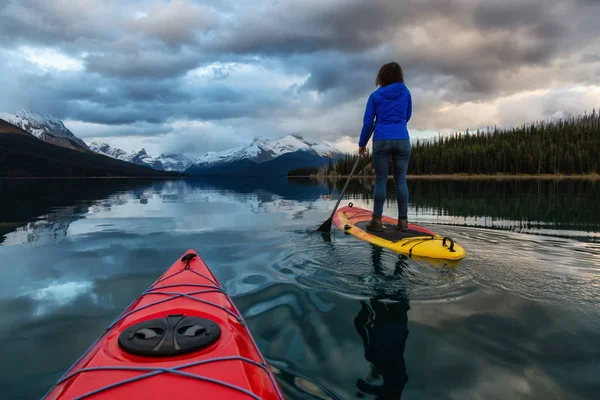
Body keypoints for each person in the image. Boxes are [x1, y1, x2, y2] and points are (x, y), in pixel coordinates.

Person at [358, 62, 412, 232]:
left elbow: (368, 122)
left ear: (381, 77)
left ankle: (376, 221)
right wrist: (397, 125)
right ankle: (403, 222)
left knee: (381, 180)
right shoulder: (406, 93)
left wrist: (362, 144)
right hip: (402, 139)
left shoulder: (375, 96)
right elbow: (407, 115)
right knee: (400, 181)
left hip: (381, 139)